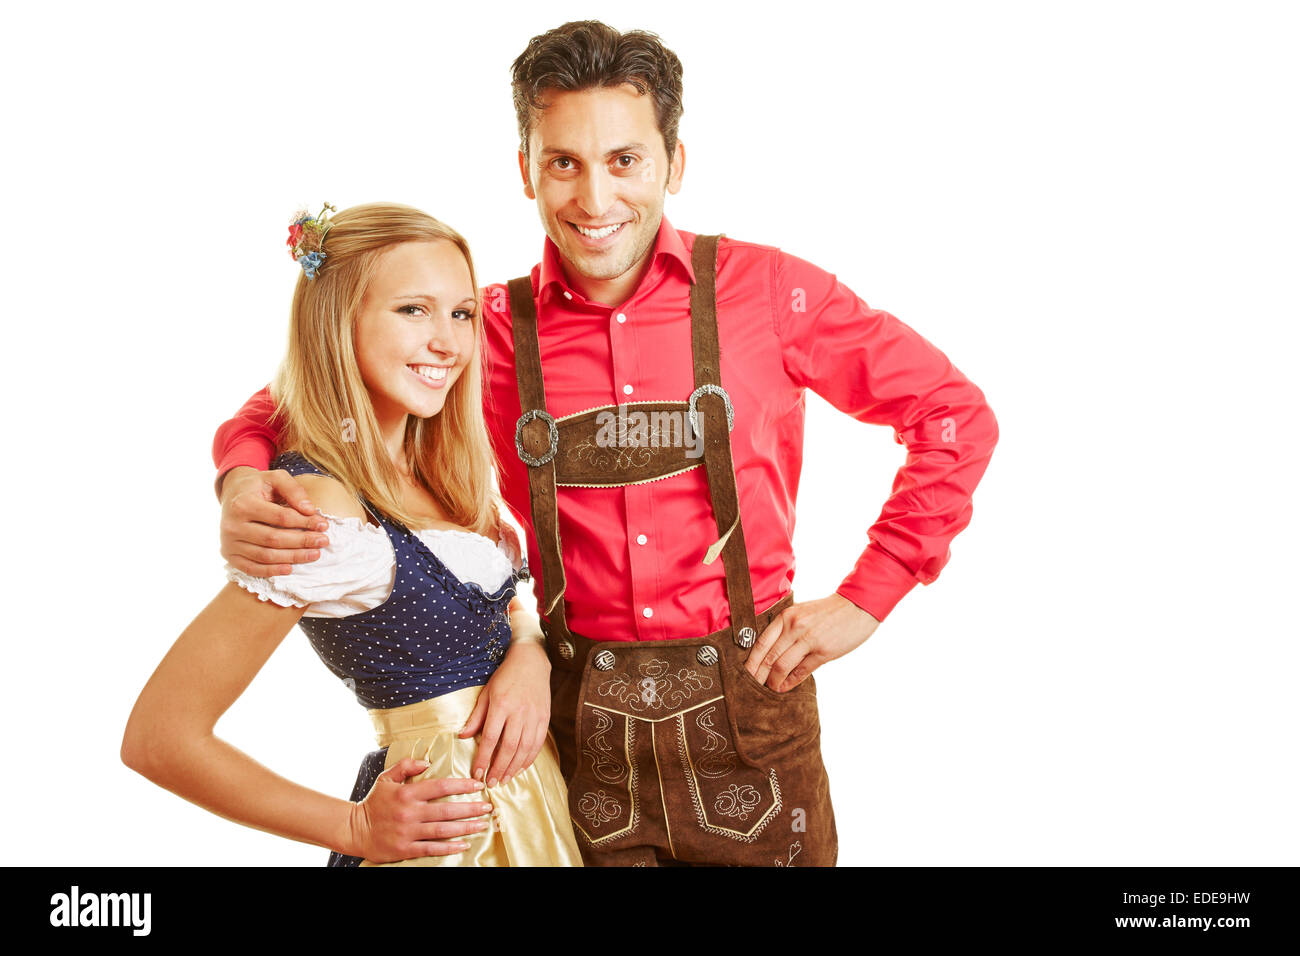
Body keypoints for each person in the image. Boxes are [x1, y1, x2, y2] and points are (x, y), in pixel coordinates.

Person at [212, 22, 999, 867]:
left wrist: (869, 594)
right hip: (579, 728)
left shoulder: (769, 292)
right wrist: (241, 479)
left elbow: (951, 413)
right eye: (564, 163)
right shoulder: (479, 327)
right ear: (526, 170)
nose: (595, 200)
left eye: (625, 160)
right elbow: (299, 393)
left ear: (674, 162)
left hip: (755, 716)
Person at [123, 202, 582, 866]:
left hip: (531, 810)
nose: (449, 343)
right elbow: (160, 737)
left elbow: (506, 601)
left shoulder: (437, 470)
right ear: (339, 324)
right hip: (447, 836)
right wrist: (353, 830)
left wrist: (529, 653)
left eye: (461, 314)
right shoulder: (318, 505)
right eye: (412, 310)